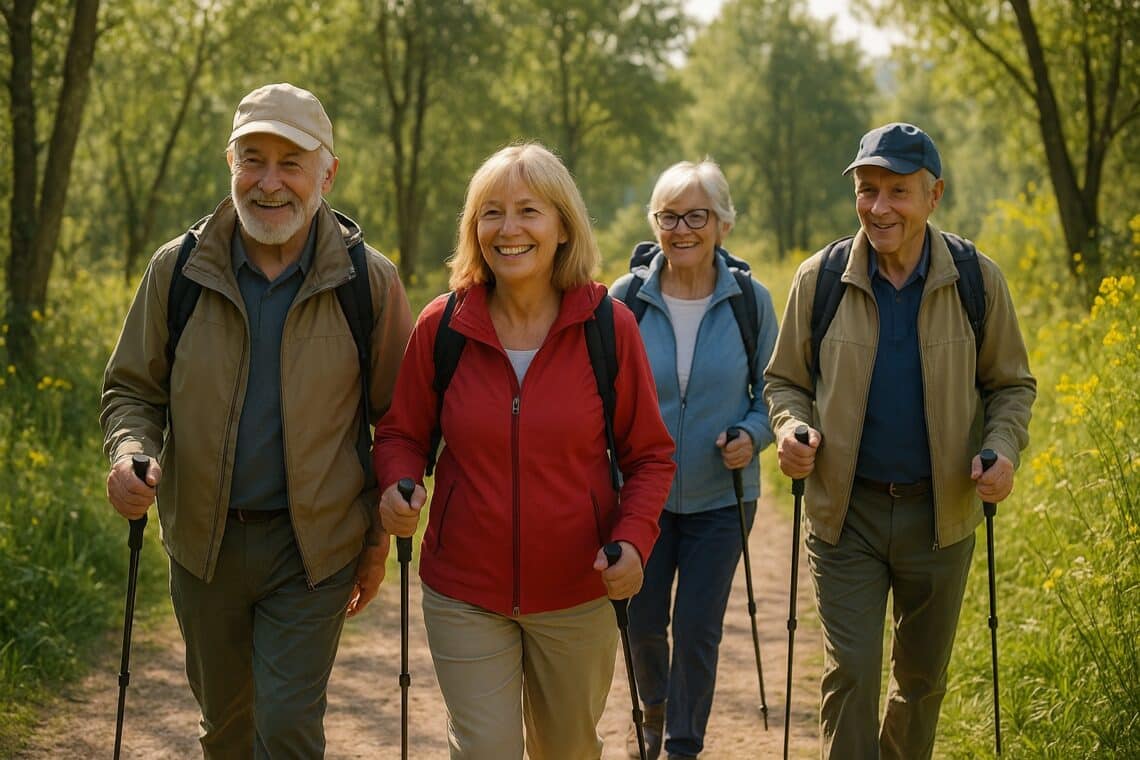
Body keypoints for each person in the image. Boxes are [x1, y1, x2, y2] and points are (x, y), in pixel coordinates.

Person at [100, 82, 414, 757]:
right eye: (252, 159)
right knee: (228, 729)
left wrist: (380, 524)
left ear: (326, 172)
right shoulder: (178, 271)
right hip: (203, 548)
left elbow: (399, 422)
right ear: (231, 165)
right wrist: (129, 452)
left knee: (288, 728)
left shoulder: (370, 283)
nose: (269, 182)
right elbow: (132, 389)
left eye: (290, 162)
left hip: (314, 553)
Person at [373, 142, 676, 759]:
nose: (508, 229)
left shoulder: (608, 328)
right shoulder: (443, 326)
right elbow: (402, 433)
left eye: (528, 211)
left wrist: (635, 539)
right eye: (491, 212)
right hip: (464, 588)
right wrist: (397, 483)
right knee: (485, 749)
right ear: (473, 227)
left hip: (578, 589)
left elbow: (649, 456)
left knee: (566, 749)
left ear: (563, 225)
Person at [763, 122, 1036, 759]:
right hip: (845, 514)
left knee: (920, 683)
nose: (878, 207)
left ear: (934, 194)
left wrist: (1005, 450)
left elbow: (1011, 385)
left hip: (940, 516)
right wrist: (790, 429)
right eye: (867, 190)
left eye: (897, 191)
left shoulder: (976, 280)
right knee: (852, 671)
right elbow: (785, 382)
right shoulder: (821, 277)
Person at [609, 160, 779, 760]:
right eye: (668, 216)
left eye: (696, 215)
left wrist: (752, 435)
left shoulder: (749, 303)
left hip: (720, 497)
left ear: (723, 224)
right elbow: (599, 399)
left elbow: (774, 393)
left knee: (699, 628)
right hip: (641, 499)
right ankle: (652, 707)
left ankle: (682, 745)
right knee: (644, 622)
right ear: (654, 223)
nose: (681, 229)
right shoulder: (624, 300)